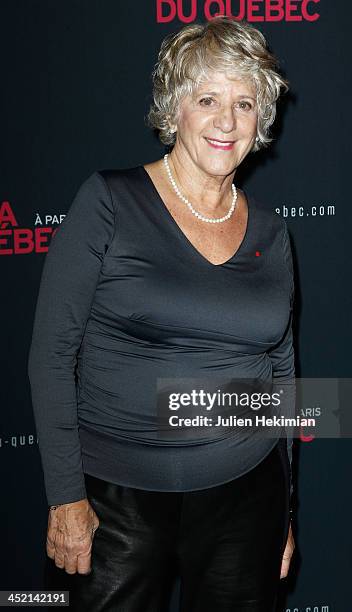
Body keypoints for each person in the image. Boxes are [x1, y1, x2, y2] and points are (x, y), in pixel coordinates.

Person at [28, 15, 297, 612]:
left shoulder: (274, 232)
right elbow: (50, 356)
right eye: (208, 99)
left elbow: (281, 373)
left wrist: (285, 509)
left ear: (262, 121)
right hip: (118, 503)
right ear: (175, 110)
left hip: (247, 493)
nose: (227, 121)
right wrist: (65, 499)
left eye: (246, 103)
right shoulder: (108, 201)